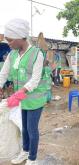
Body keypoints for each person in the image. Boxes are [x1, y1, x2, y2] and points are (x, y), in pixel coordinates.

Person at [0, 18, 47, 165]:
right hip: (22, 99)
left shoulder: (36, 54)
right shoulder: (12, 55)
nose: (8, 43)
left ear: (21, 37)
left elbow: (35, 79)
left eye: (10, 40)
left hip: (35, 98)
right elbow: (4, 73)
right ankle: (25, 151)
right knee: (24, 128)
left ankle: (32, 158)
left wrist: (19, 93)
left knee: (32, 129)